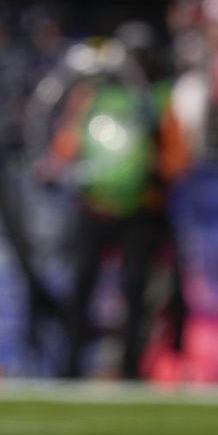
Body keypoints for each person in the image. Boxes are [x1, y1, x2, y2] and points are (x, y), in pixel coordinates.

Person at [41, 25, 189, 380]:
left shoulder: (157, 100)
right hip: (94, 205)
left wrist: (159, 171)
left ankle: (130, 369)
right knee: (80, 288)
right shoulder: (92, 96)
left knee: (136, 290)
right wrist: (55, 165)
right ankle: (71, 367)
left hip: (141, 210)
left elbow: (175, 155)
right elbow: (68, 141)